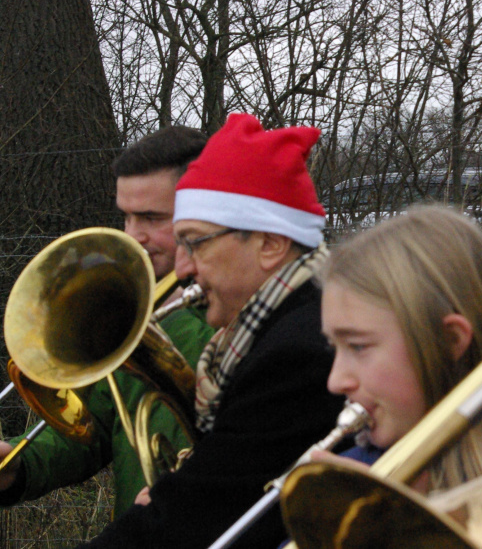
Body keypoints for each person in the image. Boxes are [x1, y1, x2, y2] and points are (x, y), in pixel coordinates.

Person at [82, 113, 345, 549]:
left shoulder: (298, 353)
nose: (183, 268)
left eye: (196, 242)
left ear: (270, 244)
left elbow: (199, 515)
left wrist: (172, 499)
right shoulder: (281, 330)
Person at [0, 126, 217, 518]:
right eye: (127, 217)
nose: (133, 236)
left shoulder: (235, 309)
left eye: (151, 217)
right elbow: (94, 429)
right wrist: (20, 464)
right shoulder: (139, 304)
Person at [319, 204, 482, 491]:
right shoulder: (359, 477)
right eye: (334, 347)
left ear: (449, 340)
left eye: (357, 346)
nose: (335, 381)